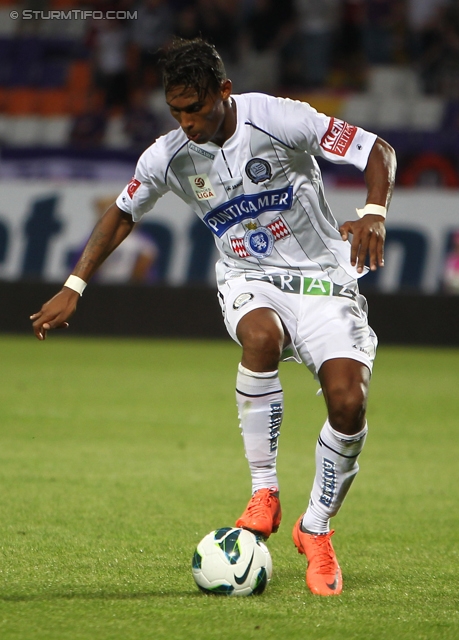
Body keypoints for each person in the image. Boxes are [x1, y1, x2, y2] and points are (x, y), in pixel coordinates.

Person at [30, 37, 396, 597]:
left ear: (224, 91)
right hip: (248, 279)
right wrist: (74, 284)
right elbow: (121, 213)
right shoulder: (168, 154)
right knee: (260, 336)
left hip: (324, 279)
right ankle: (264, 490)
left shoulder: (279, 117)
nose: (187, 122)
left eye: (195, 108)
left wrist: (373, 212)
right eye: (176, 110)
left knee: (349, 403)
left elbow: (379, 151)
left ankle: (315, 529)